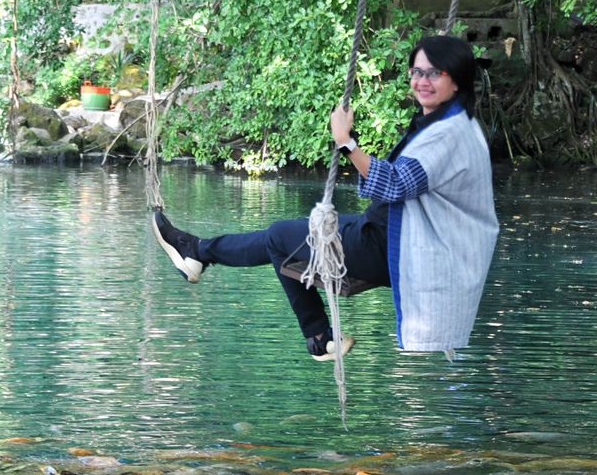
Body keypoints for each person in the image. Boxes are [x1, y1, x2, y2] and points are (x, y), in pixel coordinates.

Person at [152, 35, 499, 360]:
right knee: (284, 238)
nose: (422, 81)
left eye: (434, 73)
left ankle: (318, 335)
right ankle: (197, 253)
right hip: (391, 235)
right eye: (417, 72)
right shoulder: (451, 122)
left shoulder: (448, 135)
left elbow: (394, 184)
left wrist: (345, 141)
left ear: (457, 80)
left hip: (394, 246)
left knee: (279, 237)